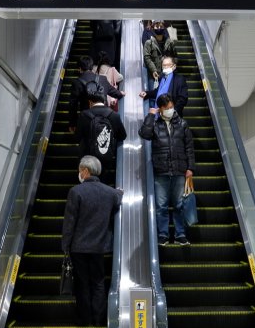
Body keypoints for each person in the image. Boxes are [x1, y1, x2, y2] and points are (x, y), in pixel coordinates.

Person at [61, 156, 123, 327]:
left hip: (78, 248)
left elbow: (69, 222)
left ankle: (85, 320)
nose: (79, 173)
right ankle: (99, 320)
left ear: (86, 171)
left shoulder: (76, 191)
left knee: (82, 284)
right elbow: (118, 197)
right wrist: (120, 192)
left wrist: (65, 246)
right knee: (98, 283)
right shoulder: (109, 193)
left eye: (80, 170)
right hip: (99, 247)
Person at [138, 93, 195, 245]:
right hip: (161, 170)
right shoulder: (155, 125)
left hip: (179, 170)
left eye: (171, 107)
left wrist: (190, 168)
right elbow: (144, 134)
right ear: (160, 109)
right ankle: (162, 235)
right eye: (167, 108)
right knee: (161, 206)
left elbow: (189, 147)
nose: (170, 109)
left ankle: (180, 234)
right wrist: (150, 116)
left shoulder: (182, 124)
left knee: (179, 205)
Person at [77, 81, 127, 185]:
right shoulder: (114, 115)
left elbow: (77, 137)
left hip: (88, 157)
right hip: (106, 158)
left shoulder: (84, 115)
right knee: (103, 183)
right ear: (103, 101)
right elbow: (123, 135)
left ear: (90, 102)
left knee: (87, 184)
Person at [68, 55, 125, 132]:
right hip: (104, 117)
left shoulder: (77, 83)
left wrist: (73, 123)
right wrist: (121, 94)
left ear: (80, 68)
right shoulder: (103, 79)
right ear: (92, 67)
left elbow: (73, 105)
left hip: (87, 118)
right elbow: (114, 92)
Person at [142, 22, 178, 106]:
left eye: (161, 26)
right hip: (154, 74)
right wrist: (153, 70)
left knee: (168, 95)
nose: (159, 28)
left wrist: (172, 66)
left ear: (164, 28)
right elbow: (147, 57)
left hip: (168, 73)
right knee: (153, 94)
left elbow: (175, 56)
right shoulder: (149, 43)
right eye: (156, 26)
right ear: (152, 27)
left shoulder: (170, 42)